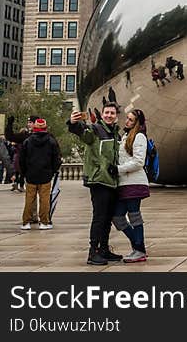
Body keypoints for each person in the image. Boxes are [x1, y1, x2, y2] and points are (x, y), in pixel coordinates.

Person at [67, 103, 121, 265]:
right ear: (102, 114)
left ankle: (103, 249)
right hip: (98, 180)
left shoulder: (116, 133)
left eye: (112, 113)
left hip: (112, 181)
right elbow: (83, 133)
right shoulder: (96, 129)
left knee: (107, 217)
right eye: (106, 113)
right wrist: (73, 123)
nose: (109, 115)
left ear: (116, 115)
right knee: (99, 216)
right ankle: (93, 252)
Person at [113, 109, 149, 262]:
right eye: (127, 118)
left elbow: (139, 161)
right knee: (117, 217)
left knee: (134, 216)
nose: (126, 121)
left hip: (134, 182)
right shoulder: (126, 136)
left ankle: (139, 249)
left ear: (137, 123)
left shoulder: (139, 137)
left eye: (130, 120)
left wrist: (118, 169)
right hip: (124, 183)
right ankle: (138, 245)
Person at [19, 118, 61, 231]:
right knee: (45, 200)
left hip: (31, 175)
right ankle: (44, 222)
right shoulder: (52, 141)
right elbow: (56, 159)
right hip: (46, 175)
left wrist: (24, 173)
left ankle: (26, 222)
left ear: (35, 128)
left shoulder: (27, 141)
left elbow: (21, 159)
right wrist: (52, 171)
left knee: (29, 200)